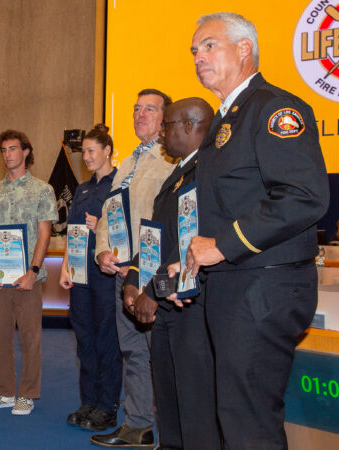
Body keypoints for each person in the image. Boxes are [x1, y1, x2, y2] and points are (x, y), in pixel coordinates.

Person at [185, 12, 329, 448]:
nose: (198, 57)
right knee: (234, 412)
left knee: (248, 421)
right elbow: (224, 208)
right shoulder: (226, 120)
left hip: (265, 285)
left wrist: (223, 246)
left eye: (209, 45)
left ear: (244, 49)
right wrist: (190, 262)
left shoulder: (273, 109)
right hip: (235, 283)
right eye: (194, 50)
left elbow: (304, 195)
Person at [122, 98, 221, 449]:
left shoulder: (211, 171)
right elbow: (156, 236)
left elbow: (197, 241)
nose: (162, 133)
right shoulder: (177, 174)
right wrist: (134, 279)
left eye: (167, 125)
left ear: (191, 126)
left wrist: (154, 286)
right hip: (165, 303)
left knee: (194, 403)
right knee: (168, 395)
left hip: (193, 304)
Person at [91, 89, 175, 449]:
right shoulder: (127, 163)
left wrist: (146, 273)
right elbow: (110, 213)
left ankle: (173, 432)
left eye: (150, 109)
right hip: (120, 273)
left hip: (153, 278)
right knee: (133, 354)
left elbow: (170, 221)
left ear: (165, 118)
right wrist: (102, 252)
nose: (140, 114)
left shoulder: (173, 159)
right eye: (136, 108)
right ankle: (138, 426)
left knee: (163, 356)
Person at [0, 129, 57, 416]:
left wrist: (33, 271)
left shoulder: (42, 189)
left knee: (30, 337)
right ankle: (3, 392)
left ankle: (27, 393)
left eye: (13, 149)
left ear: (26, 152)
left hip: (27, 277)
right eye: (3, 150)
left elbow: (44, 233)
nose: (8, 154)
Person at [58, 124, 121, 431]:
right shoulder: (83, 189)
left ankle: (107, 405)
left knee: (106, 338)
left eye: (92, 151)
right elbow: (73, 232)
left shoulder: (120, 183)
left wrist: (104, 226)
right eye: (84, 152)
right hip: (80, 274)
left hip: (106, 274)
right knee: (84, 338)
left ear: (108, 150)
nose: (87, 157)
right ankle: (89, 401)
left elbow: (127, 230)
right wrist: (66, 267)